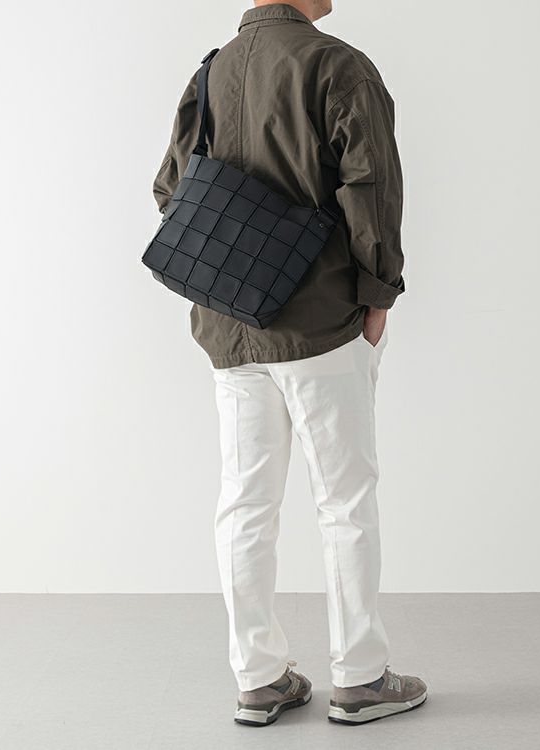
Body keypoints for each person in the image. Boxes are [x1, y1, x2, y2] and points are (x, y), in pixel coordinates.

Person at [152, 0, 427, 726]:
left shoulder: (210, 73)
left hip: (229, 328)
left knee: (246, 503)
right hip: (320, 325)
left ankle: (259, 679)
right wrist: (378, 293)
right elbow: (372, 189)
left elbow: (169, 191)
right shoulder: (338, 66)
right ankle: (361, 678)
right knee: (345, 500)